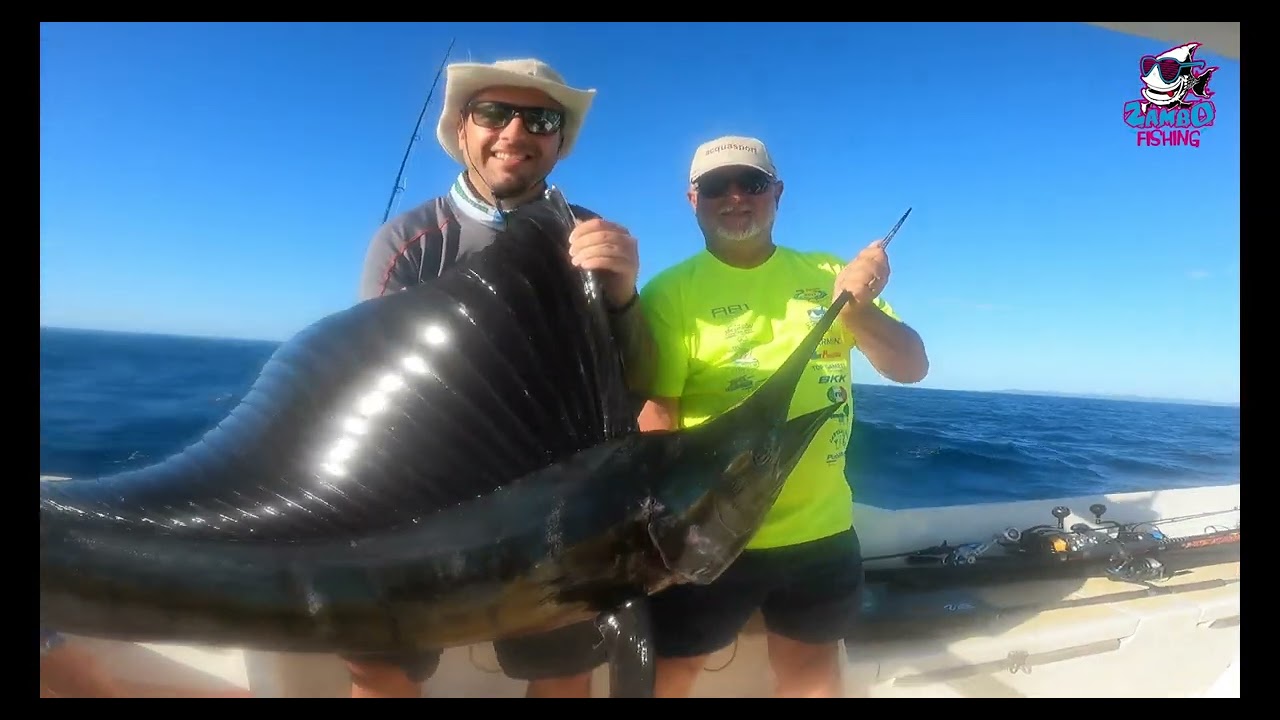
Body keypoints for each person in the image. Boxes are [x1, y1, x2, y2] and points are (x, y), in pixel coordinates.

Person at [349, 58, 657, 699]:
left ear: (559, 142)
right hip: (420, 502)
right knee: (378, 668)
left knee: (565, 670)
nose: (515, 131)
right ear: (462, 130)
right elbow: (368, 389)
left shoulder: (591, 236)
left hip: (554, 505)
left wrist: (624, 294)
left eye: (540, 119)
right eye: (494, 112)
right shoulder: (407, 242)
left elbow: (639, 376)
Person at [636, 135, 929, 698]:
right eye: (718, 187)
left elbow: (911, 368)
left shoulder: (832, 274)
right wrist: (660, 541)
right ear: (692, 200)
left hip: (818, 534)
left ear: (778, 193)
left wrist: (860, 310)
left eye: (752, 184)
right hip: (707, 537)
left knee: (812, 679)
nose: (736, 198)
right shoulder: (669, 293)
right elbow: (658, 420)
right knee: (670, 676)